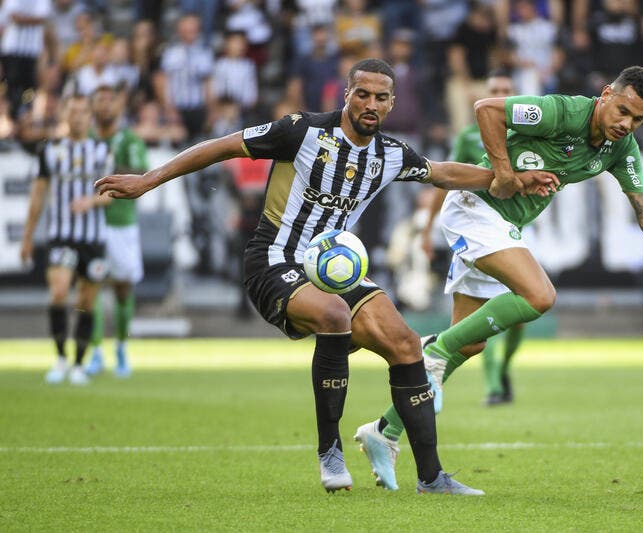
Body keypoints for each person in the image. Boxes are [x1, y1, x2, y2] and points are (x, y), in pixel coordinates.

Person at [95, 58, 551, 495]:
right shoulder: (301, 130)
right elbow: (223, 146)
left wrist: (505, 178)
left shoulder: (390, 154)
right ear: (346, 94)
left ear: (392, 104)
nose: (371, 104)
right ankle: (330, 450)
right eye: (363, 94)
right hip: (274, 259)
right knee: (336, 315)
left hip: (332, 268)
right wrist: (148, 180)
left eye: (382, 97)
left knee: (407, 344)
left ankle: (431, 477)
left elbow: (443, 172)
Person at [357, 65, 643, 488]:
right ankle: (433, 350)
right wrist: (503, 174)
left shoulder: (620, 149)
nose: (626, 124)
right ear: (607, 94)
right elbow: (486, 109)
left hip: (505, 227)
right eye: (623, 111)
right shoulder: (562, 112)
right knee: (540, 296)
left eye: (638, 119)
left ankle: (385, 432)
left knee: (470, 341)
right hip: (475, 210)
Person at [421, 68, 522, 405]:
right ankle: (493, 385)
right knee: (492, 314)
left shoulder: (531, 132)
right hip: (481, 229)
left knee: (516, 315)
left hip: (519, 233)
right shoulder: (469, 137)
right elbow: (449, 177)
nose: (500, 94)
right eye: (494, 89)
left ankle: (494, 370)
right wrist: (427, 227)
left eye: (506, 89)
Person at [20, 94, 114, 386]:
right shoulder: (50, 151)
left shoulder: (102, 151)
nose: (77, 117)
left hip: (92, 238)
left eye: (82, 112)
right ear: (64, 115)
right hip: (61, 236)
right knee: (59, 291)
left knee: (86, 301)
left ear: (89, 116)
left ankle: (78, 364)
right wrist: (27, 236)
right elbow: (38, 195)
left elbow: (112, 194)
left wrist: (90, 202)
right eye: (72, 112)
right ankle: (60, 357)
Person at [85, 86, 149, 378]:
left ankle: (121, 346)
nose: (106, 106)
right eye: (100, 100)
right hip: (87, 224)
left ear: (118, 108)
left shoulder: (129, 140)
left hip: (120, 223)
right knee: (91, 286)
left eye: (110, 101)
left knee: (122, 288)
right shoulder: (83, 141)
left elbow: (137, 179)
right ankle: (96, 350)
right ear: (92, 106)